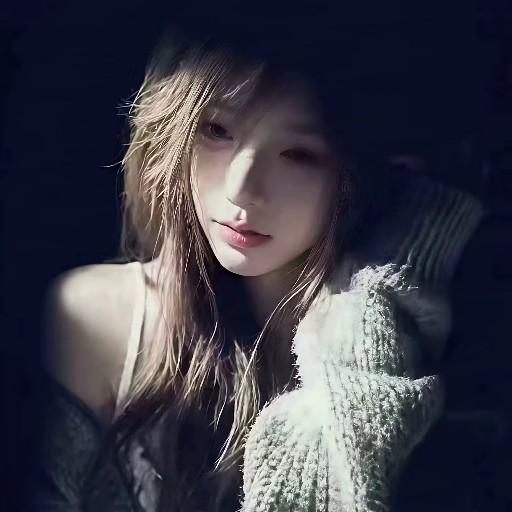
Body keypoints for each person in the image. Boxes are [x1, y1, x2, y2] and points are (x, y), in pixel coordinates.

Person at [34, 15, 485, 512]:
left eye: (298, 154)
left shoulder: (414, 344)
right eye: (217, 130)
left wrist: (379, 294)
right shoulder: (93, 318)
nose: (241, 189)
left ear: (359, 175)